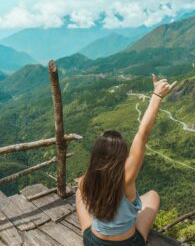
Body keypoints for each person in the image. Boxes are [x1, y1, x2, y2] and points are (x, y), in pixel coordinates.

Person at [76, 74, 177, 245]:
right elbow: (142, 134)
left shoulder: (86, 180)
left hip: (93, 242)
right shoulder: (126, 178)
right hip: (129, 243)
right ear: (122, 154)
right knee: (153, 196)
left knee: (79, 193)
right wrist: (157, 96)